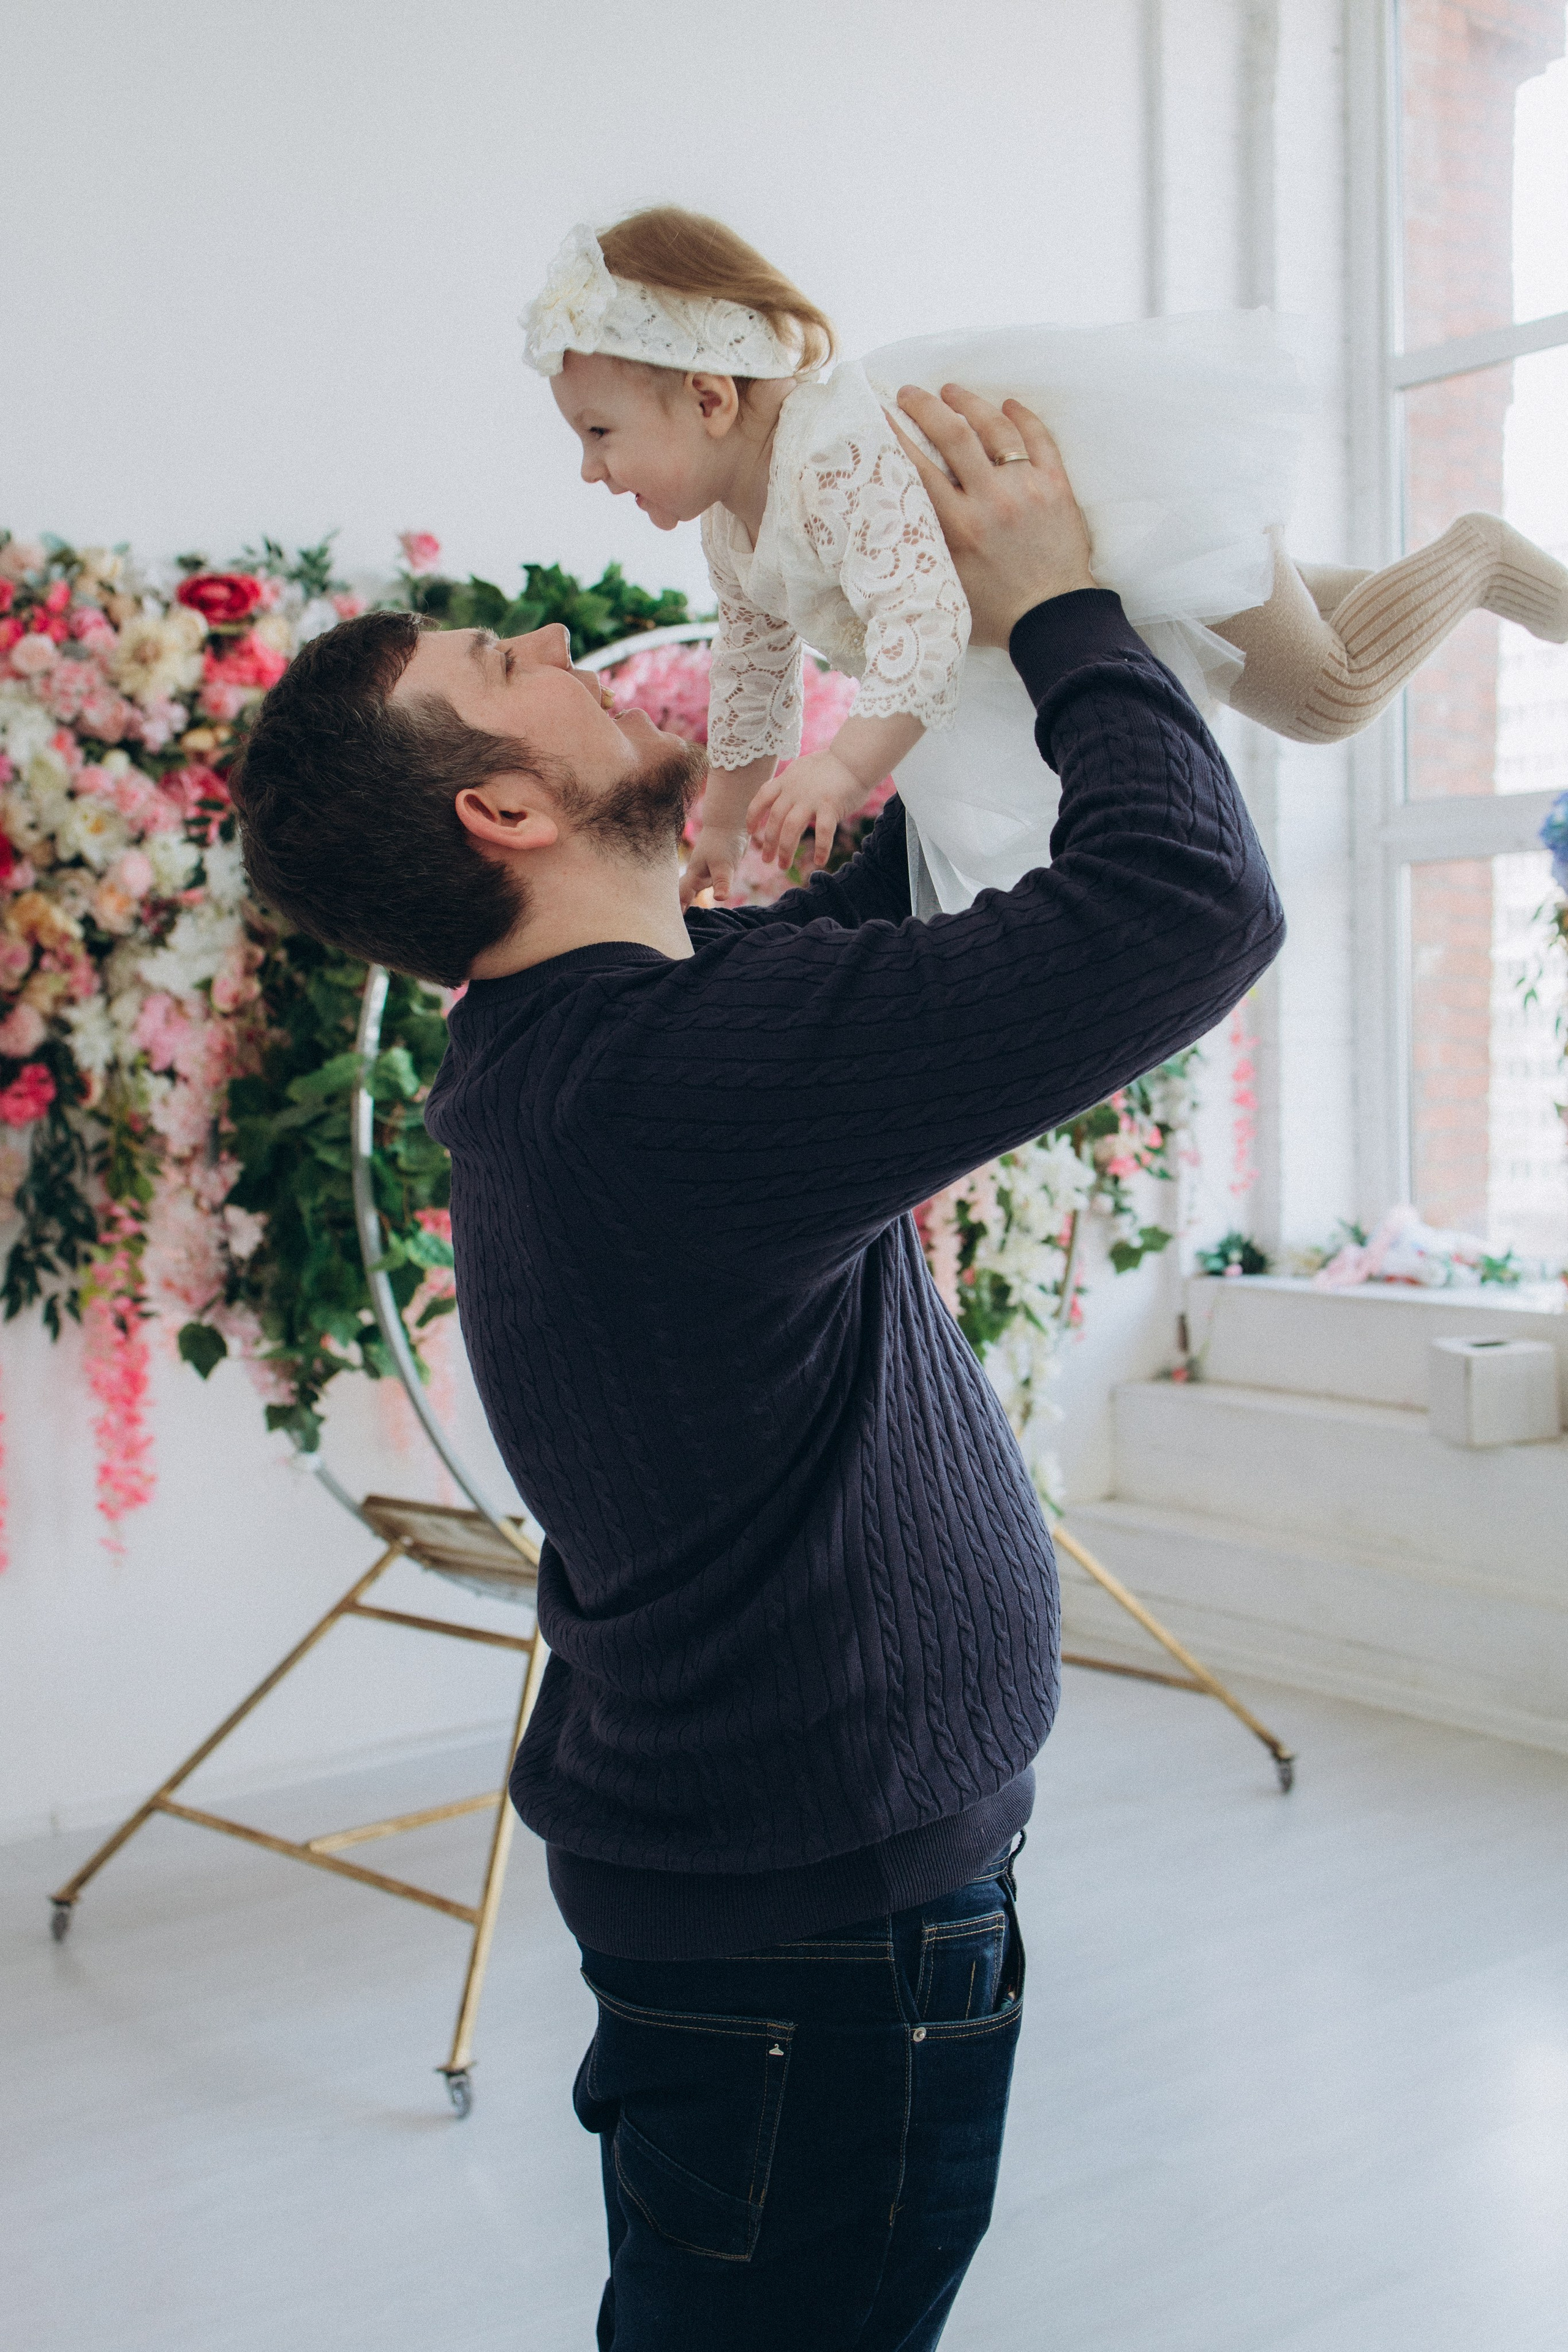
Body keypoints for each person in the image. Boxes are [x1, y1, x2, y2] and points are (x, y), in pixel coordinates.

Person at [231, 383, 1284, 2350]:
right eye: (498, 661)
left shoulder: (616, 1032)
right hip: (823, 1941)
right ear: (505, 810)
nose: (552, 634)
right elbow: (1188, 911)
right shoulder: (669, 1084)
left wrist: (932, 648)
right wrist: (1065, 616)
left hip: (776, 1906)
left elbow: (905, 916)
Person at [526, 208, 1568, 914]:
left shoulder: (828, 463)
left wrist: (845, 768)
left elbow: (922, 624)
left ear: (710, 399)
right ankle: (1350, 579)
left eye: (601, 433)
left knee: (1328, 696)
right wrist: (717, 820)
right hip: (1117, 573)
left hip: (1135, 522)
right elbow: (755, 668)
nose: (585, 468)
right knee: (1291, 623)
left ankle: (1478, 556)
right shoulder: (734, 523)